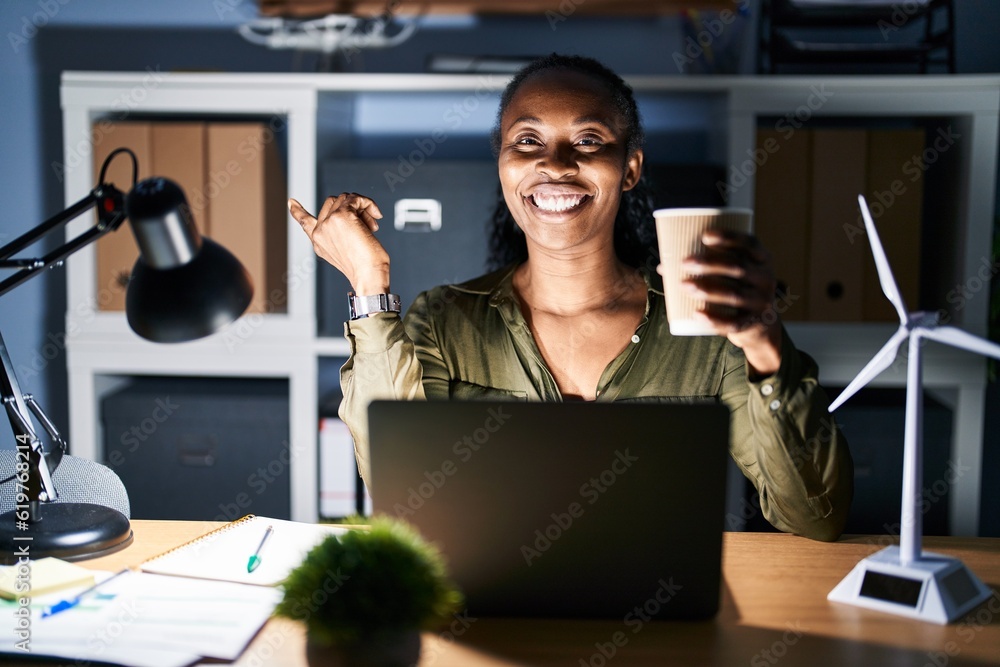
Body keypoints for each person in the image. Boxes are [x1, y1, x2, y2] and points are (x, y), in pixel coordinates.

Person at [289, 54, 853, 542]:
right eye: (527, 140)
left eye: (588, 140)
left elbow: (812, 517)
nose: (555, 165)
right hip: (491, 619)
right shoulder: (443, 319)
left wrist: (766, 348)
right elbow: (399, 494)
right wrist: (368, 285)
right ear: (505, 168)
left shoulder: (705, 323)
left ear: (629, 168)